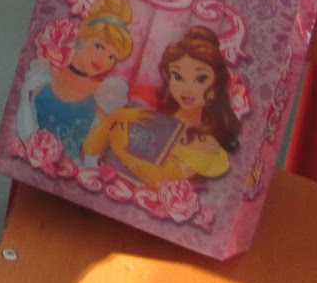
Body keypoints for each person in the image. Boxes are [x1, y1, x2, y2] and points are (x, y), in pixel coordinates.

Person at [84, 24, 239, 187]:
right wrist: (115, 116)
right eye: (177, 76)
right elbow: (90, 149)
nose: (186, 89)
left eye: (200, 79)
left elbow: (164, 182)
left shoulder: (207, 143)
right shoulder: (148, 114)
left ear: (215, 87)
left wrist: (122, 152)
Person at [15, 0, 132, 160]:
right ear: (81, 38)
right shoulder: (44, 72)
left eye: (112, 57)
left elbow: (93, 154)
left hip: (71, 169)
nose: (104, 60)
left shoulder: (103, 96)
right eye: (99, 46)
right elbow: (23, 114)